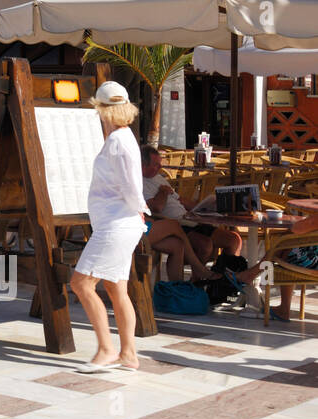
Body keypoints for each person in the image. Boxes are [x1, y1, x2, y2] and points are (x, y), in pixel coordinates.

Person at [69, 82, 146, 373]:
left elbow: (130, 186)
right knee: (116, 288)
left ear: (102, 110)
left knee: (81, 283)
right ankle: (128, 354)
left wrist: (140, 211)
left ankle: (106, 349)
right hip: (120, 222)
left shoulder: (118, 141)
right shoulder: (123, 138)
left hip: (117, 223)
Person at [141, 146, 241, 280]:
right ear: (143, 165)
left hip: (189, 219)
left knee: (234, 240)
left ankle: (226, 281)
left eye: (160, 163)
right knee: (205, 245)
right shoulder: (140, 182)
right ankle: (196, 283)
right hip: (174, 224)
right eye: (155, 164)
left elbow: (180, 200)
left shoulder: (159, 178)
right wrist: (163, 192)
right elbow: (157, 207)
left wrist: (204, 208)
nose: (160, 167)